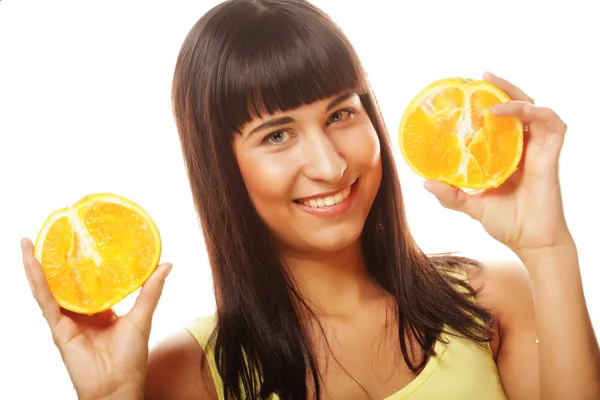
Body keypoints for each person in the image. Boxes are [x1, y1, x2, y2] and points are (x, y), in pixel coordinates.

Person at [20, 0, 600, 399]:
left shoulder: (488, 300)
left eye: (341, 114)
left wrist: (548, 248)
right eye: (276, 134)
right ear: (221, 167)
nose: (329, 164)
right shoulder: (187, 376)